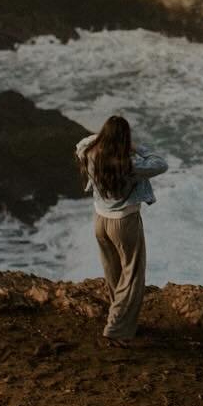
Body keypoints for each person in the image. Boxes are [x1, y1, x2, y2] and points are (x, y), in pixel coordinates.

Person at [75, 115, 168, 347]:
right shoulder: (129, 165)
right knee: (133, 274)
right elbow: (160, 163)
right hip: (123, 222)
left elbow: (83, 142)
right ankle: (116, 327)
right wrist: (135, 147)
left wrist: (103, 138)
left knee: (113, 272)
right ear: (125, 139)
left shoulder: (89, 154)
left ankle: (122, 320)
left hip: (100, 222)